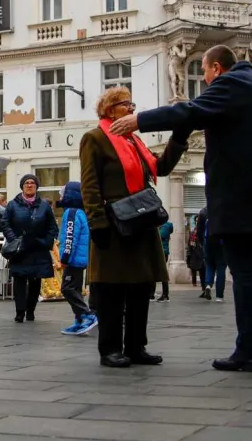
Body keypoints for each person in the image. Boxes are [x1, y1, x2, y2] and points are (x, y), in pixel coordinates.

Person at [113, 45, 252, 373]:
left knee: (247, 275)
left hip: (239, 198)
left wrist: (138, 120)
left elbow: (189, 111)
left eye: (206, 72)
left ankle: (249, 350)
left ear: (216, 69)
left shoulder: (231, 84)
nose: (206, 80)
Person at [84, 87, 187, 368]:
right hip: (113, 222)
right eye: (125, 104)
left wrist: (178, 138)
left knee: (142, 288)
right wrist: (97, 222)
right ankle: (110, 349)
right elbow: (90, 185)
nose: (131, 109)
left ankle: (136, 346)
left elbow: (160, 168)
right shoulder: (94, 139)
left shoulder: (135, 142)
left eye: (132, 104)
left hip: (142, 220)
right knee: (112, 291)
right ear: (109, 109)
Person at [3, 174, 57, 323]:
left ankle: (31, 311)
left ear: (36, 186)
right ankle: (20, 312)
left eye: (32, 183)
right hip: (20, 249)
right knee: (19, 280)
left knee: (35, 281)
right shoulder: (13, 205)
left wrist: (46, 241)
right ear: (22, 186)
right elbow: (5, 223)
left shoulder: (44, 205)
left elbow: (52, 227)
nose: (29, 185)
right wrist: (13, 240)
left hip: (38, 248)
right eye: (26, 183)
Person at [55, 181, 97, 336]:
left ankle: (88, 315)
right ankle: (79, 320)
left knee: (68, 288)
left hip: (73, 259)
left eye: (63, 192)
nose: (60, 195)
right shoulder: (80, 212)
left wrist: (65, 257)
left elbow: (70, 237)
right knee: (76, 289)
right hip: (79, 258)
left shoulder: (71, 213)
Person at [199, 207, 227, 301]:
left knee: (209, 264)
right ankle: (219, 296)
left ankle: (207, 285)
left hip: (208, 243)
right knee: (221, 267)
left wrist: (201, 242)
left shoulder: (204, 212)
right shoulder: (224, 210)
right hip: (222, 244)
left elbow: (199, 230)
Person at [154, 220, 173, 303]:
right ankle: (152, 293)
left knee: (162, 272)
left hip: (162, 252)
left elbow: (159, 236)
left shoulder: (165, 226)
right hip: (161, 251)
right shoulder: (166, 225)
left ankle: (165, 295)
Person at [186, 223, 205, 289]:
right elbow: (190, 243)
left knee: (201, 268)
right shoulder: (193, 234)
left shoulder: (202, 233)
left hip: (200, 252)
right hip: (194, 253)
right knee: (194, 268)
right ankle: (194, 282)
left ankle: (203, 283)